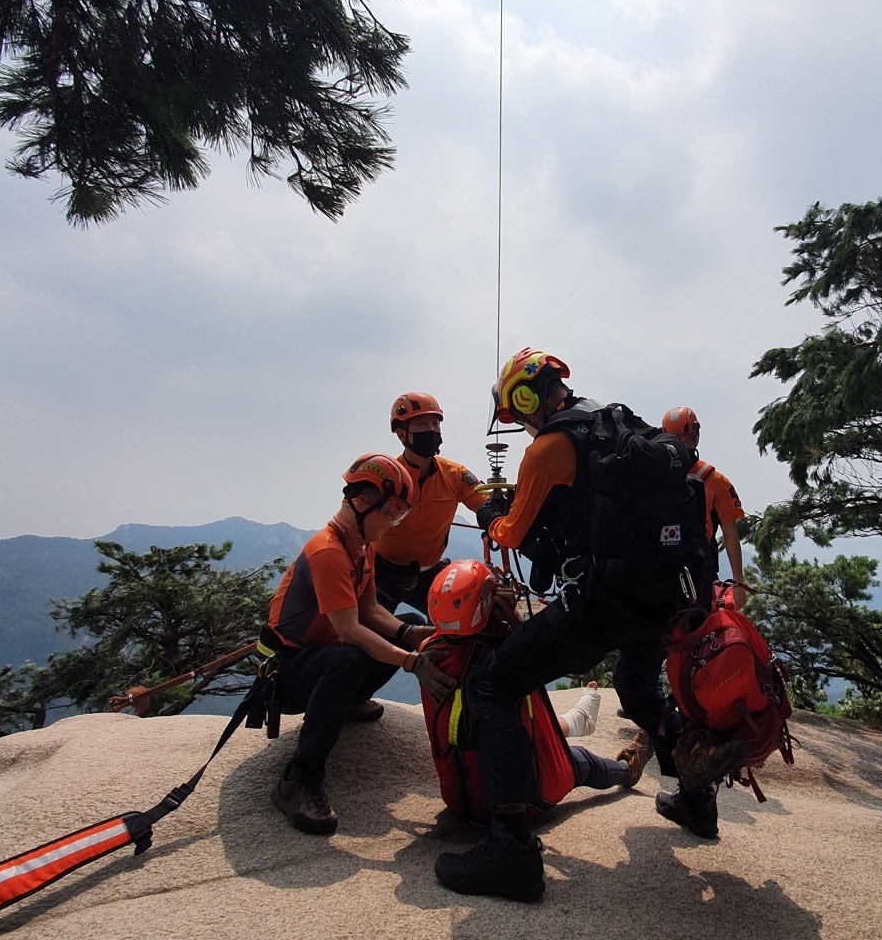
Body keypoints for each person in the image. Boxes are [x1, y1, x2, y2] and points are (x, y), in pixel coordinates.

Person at [433, 349, 746, 902]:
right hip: (663, 597)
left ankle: (511, 852)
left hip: (604, 602)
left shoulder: (548, 446)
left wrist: (491, 515)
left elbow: (510, 533)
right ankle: (697, 802)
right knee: (638, 689)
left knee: (494, 685)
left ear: (525, 397)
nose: (521, 423)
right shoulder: (614, 421)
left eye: (517, 412)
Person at [261, 453, 454, 835]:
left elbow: (370, 610)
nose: (395, 523)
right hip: (288, 673)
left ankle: (347, 703)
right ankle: (298, 779)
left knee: (407, 623)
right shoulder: (328, 551)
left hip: (318, 657)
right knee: (348, 660)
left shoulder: (361, 547)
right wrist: (411, 662)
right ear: (362, 503)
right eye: (392, 513)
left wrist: (410, 633)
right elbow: (349, 629)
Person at [418, 559, 645, 825]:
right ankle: (626, 769)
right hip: (530, 799)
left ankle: (578, 720)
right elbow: (546, 651)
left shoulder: (429, 654)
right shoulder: (505, 652)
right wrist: (514, 619)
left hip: (460, 799)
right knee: (581, 762)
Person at [371, 392, 484, 617]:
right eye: (421, 424)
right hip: (382, 572)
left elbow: (484, 502)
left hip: (430, 572)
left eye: (435, 423)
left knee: (465, 618)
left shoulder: (455, 474)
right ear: (401, 434)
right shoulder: (386, 476)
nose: (431, 430)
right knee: (369, 628)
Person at [661, 405, 748, 610]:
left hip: (673, 566)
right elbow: (730, 535)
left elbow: (730, 535)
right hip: (690, 569)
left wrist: (738, 583)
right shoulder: (714, 481)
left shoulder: (657, 476)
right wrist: (738, 583)